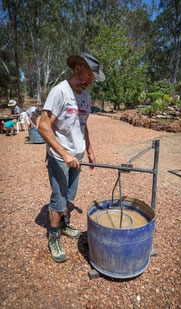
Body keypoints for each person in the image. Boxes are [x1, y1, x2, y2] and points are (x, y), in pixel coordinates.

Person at [38, 53, 105, 263]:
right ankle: (54, 235)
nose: (90, 82)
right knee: (58, 201)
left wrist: (90, 150)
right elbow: (43, 126)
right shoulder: (60, 92)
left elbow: (82, 126)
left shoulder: (85, 97)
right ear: (77, 68)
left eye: (93, 80)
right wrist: (64, 154)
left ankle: (64, 224)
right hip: (60, 158)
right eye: (89, 76)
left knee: (70, 196)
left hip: (77, 157)